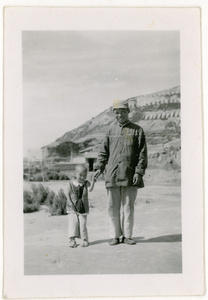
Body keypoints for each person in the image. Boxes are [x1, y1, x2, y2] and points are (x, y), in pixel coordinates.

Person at [94, 100, 148, 246]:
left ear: (128, 112)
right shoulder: (110, 131)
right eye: (116, 113)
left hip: (130, 174)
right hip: (112, 174)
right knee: (112, 206)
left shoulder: (137, 130)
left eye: (122, 112)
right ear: (114, 114)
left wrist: (139, 172)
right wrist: (99, 168)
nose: (119, 115)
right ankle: (115, 235)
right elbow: (103, 152)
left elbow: (142, 154)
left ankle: (128, 235)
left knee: (128, 206)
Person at [66, 164, 92, 248]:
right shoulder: (70, 184)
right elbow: (67, 194)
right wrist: (70, 203)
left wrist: (94, 181)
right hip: (72, 207)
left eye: (84, 175)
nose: (82, 177)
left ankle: (84, 239)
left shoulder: (86, 184)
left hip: (83, 207)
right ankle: (72, 240)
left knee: (83, 224)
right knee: (73, 223)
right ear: (75, 174)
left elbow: (90, 189)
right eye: (80, 175)